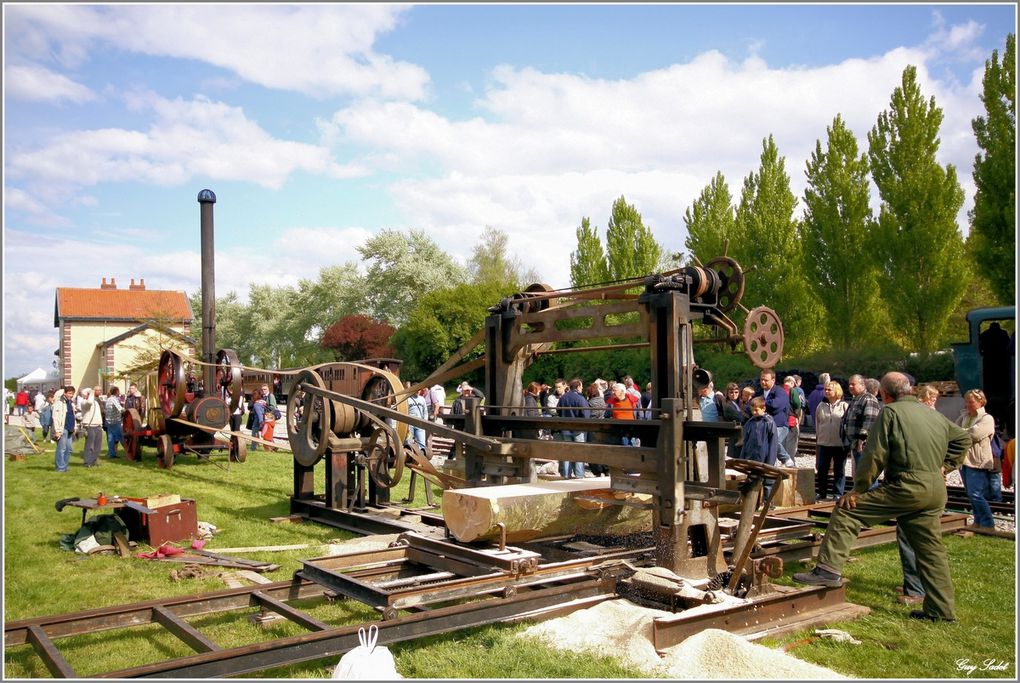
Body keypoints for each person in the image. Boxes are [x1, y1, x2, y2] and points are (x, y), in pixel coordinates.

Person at [793, 372, 970, 623]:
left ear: (885, 394)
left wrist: (858, 490)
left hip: (907, 487)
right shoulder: (931, 413)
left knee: (846, 511)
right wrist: (946, 466)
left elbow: (874, 456)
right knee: (931, 551)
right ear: (910, 390)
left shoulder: (891, 413)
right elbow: (963, 438)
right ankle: (942, 611)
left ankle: (828, 570)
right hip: (934, 490)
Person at [956, 389, 997, 530]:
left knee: (976, 494)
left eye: (971, 402)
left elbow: (975, 434)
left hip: (977, 461)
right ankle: (978, 522)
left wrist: (961, 433)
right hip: (964, 460)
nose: (968, 404)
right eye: (966, 401)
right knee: (970, 494)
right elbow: (954, 431)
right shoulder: (964, 417)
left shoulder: (987, 418)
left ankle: (988, 523)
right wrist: (963, 433)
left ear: (980, 402)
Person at [814, 381, 849, 500]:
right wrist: (818, 439)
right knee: (822, 469)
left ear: (837, 391)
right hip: (824, 443)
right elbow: (818, 423)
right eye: (826, 389)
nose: (827, 391)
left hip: (839, 444)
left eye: (830, 389)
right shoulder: (821, 406)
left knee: (839, 470)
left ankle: (838, 494)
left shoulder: (844, 406)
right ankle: (821, 492)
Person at [740, 396, 779, 501]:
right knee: (752, 480)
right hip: (751, 457)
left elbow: (773, 443)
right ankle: (753, 502)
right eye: (752, 410)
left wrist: (770, 461)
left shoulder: (769, 423)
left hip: (764, 457)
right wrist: (742, 457)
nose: (754, 413)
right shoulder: (750, 423)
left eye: (756, 410)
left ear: (763, 408)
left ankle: (768, 503)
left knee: (767, 482)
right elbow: (745, 442)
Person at [843, 374, 881, 478]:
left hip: (863, 446)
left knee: (866, 475)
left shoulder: (868, 399)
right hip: (855, 444)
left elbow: (870, 420)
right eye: (849, 384)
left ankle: (868, 494)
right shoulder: (856, 399)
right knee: (861, 475)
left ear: (863, 385)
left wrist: (862, 438)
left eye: (853, 384)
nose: (850, 387)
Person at [758, 369, 794, 466]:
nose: (763, 382)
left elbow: (776, 406)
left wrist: (760, 405)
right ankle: (770, 465)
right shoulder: (759, 392)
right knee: (765, 445)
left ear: (773, 380)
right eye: (761, 380)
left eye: (765, 380)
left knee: (773, 441)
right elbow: (750, 406)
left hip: (779, 425)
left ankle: (786, 459)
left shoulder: (779, 392)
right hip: (765, 425)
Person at [556, 378, 590, 479]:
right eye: (581, 386)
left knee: (567, 453)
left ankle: (566, 474)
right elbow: (586, 415)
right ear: (578, 387)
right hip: (578, 430)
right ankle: (579, 475)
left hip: (565, 429)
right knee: (579, 453)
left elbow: (558, 410)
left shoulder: (563, 398)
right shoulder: (580, 399)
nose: (582, 388)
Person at [585, 382, 610, 476]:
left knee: (592, 449)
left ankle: (597, 470)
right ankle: (606, 468)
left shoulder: (589, 403)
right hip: (602, 426)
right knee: (602, 448)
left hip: (592, 428)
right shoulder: (603, 401)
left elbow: (588, 415)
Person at [51, 386, 77, 472]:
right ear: (65, 393)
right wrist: (57, 431)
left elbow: (73, 416)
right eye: (69, 393)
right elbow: (56, 417)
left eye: (72, 393)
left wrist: (75, 427)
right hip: (63, 429)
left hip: (70, 429)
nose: (71, 395)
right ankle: (60, 467)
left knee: (69, 449)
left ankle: (65, 465)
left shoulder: (70, 403)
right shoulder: (59, 403)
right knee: (61, 449)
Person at [79, 386, 104, 468]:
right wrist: (91, 392)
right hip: (89, 426)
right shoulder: (84, 402)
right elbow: (89, 403)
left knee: (98, 446)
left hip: (98, 426)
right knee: (89, 446)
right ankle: (87, 462)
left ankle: (93, 461)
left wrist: (101, 424)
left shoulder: (96, 402)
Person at [406, 385, 429, 451]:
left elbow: (425, 412)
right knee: (409, 442)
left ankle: (421, 457)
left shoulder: (422, 399)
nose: (418, 391)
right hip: (410, 424)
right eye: (416, 390)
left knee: (422, 443)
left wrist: (424, 421)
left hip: (420, 424)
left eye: (419, 390)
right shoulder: (408, 399)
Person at [105, 386, 125, 458]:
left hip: (108, 422)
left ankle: (112, 454)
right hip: (115, 421)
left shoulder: (108, 399)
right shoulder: (114, 399)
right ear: (116, 392)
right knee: (121, 437)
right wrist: (126, 410)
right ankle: (129, 452)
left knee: (111, 438)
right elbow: (120, 409)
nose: (119, 393)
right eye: (118, 391)